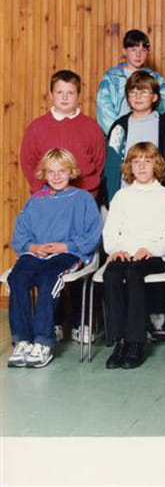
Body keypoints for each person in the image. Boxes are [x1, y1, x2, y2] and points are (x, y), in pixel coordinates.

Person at [7, 149, 101, 369]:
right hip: (36, 252)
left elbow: (93, 235)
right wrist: (32, 247)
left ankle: (43, 341)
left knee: (49, 278)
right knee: (17, 277)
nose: (57, 176)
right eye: (51, 172)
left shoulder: (83, 199)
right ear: (44, 174)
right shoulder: (36, 200)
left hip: (67, 253)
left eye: (62, 171)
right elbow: (20, 234)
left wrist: (66, 246)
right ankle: (22, 340)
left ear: (71, 172)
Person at [102, 142, 165, 370]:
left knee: (134, 272)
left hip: (152, 255)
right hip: (124, 252)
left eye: (147, 161)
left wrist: (151, 249)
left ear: (156, 165)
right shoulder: (121, 196)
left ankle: (136, 342)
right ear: (129, 166)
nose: (142, 166)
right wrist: (116, 250)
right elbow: (110, 233)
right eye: (136, 161)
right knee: (111, 274)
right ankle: (119, 341)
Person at [20, 70, 105, 199]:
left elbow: (99, 162)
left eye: (70, 93)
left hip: (83, 196)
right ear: (51, 95)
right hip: (47, 197)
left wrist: (89, 192)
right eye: (59, 92)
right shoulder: (36, 127)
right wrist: (41, 191)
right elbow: (28, 163)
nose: (64, 97)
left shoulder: (92, 127)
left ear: (78, 95)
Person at [102, 70, 165, 205]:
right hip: (126, 197)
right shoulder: (119, 127)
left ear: (154, 97)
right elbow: (111, 166)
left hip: (158, 197)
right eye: (133, 92)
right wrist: (111, 199)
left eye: (143, 92)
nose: (137, 96)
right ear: (127, 97)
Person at [96, 29, 165, 134]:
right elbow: (104, 110)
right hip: (120, 134)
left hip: (149, 134)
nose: (138, 55)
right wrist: (118, 134)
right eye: (133, 50)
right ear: (124, 51)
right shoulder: (112, 78)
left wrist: (158, 131)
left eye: (143, 50)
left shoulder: (156, 79)